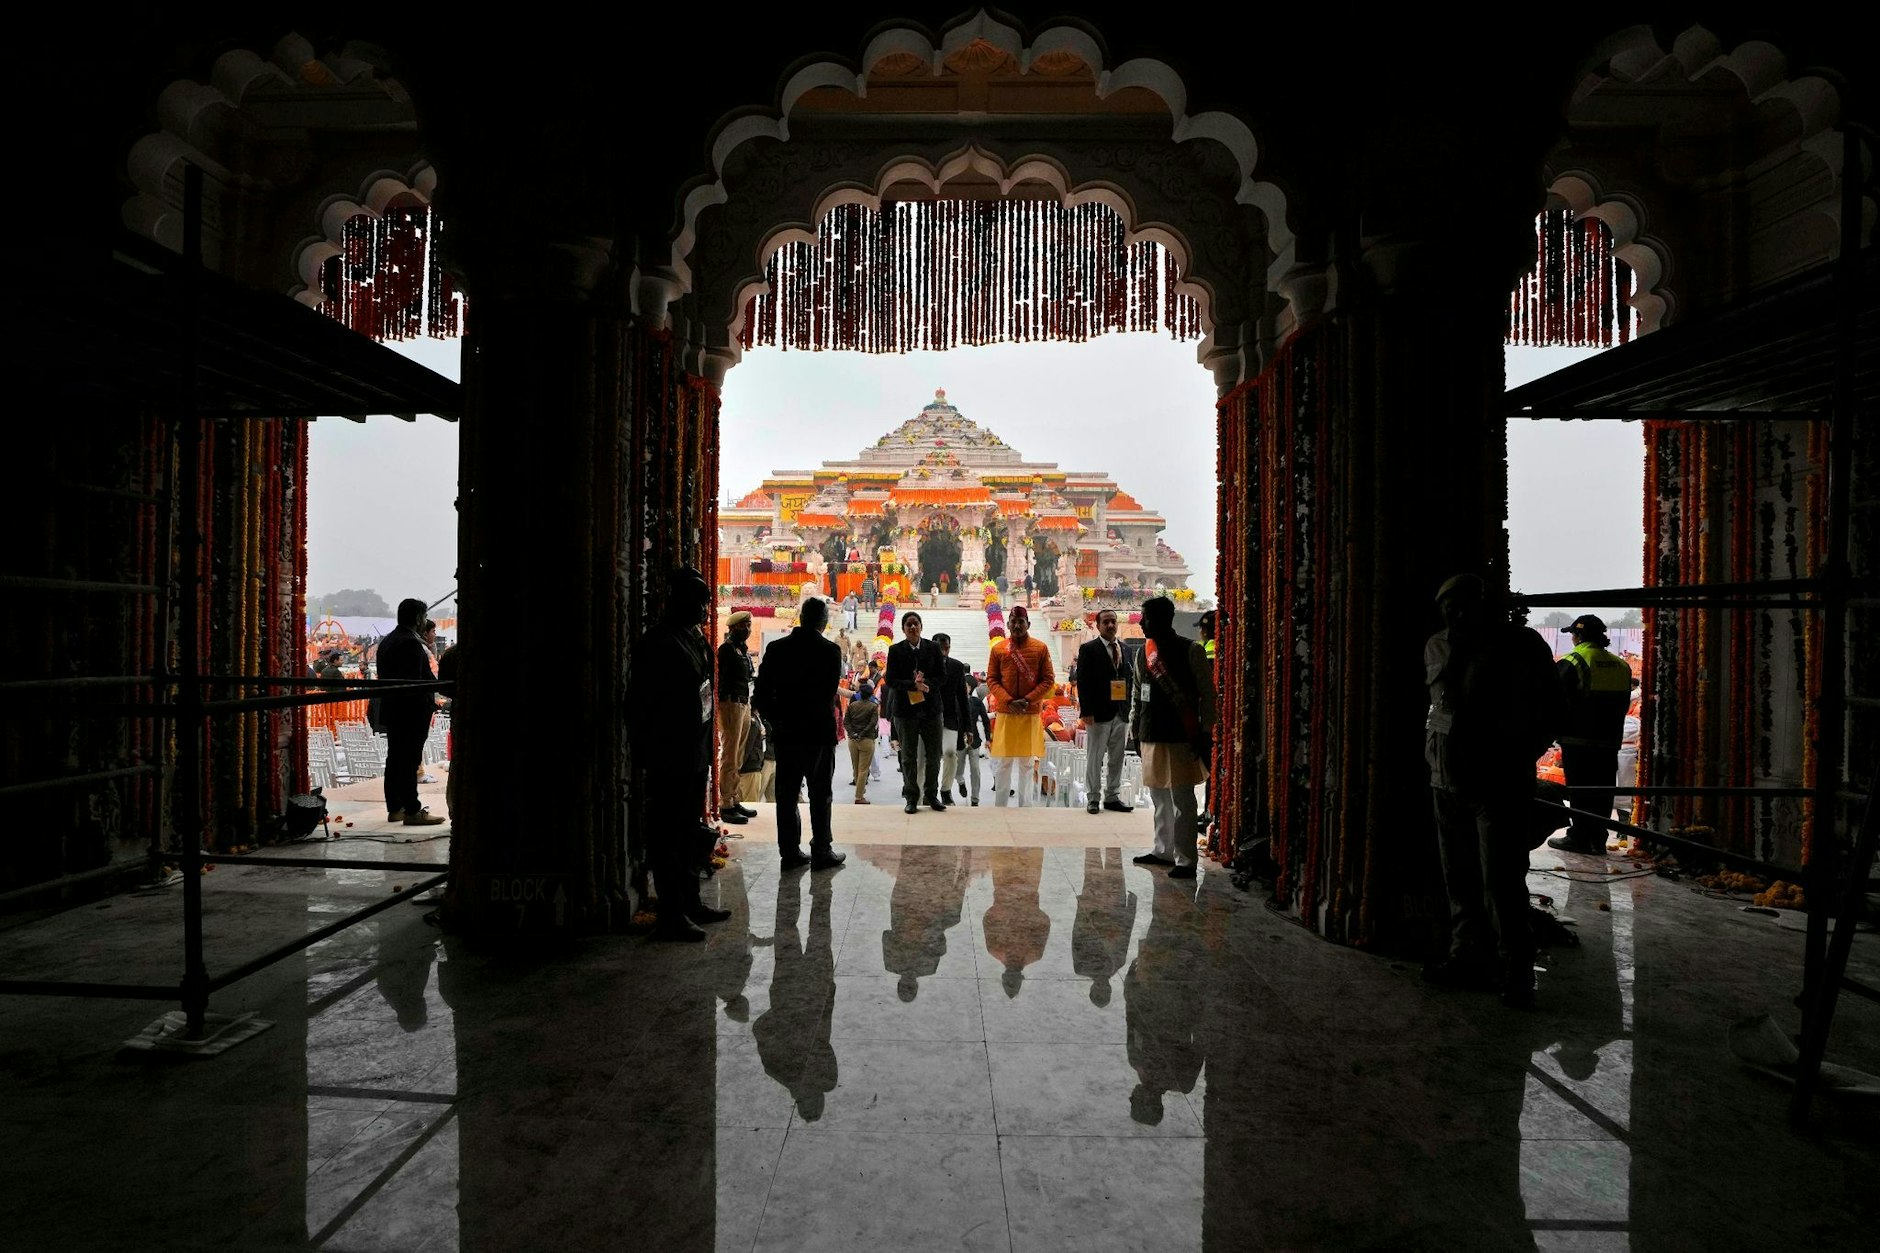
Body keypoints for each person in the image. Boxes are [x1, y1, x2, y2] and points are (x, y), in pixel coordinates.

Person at [1421, 573, 1566, 1007]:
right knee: (1459, 877)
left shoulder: (1519, 646)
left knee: (1501, 882)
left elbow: (1554, 709)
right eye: (1448, 604)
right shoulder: (1437, 645)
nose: (1456, 612)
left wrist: (1518, 752)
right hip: (1445, 777)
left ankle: (1517, 970)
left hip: (1497, 781)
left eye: (1464, 604)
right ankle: (1465, 956)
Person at [627, 567, 732, 941]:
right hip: (669, 753)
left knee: (689, 830)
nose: (705, 610)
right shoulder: (657, 643)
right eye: (700, 601)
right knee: (667, 834)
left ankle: (690, 902)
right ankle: (671, 912)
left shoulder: (694, 639)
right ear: (680, 601)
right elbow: (639, 704)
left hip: (695, 751)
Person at [752, 596, 846, 871]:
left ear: (801, 618)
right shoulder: (829, 651)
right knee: (820, 793)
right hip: (817, 733)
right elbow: (828, 693)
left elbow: (761, 694)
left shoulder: (777, 649)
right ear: (823, 621)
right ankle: (821, 849)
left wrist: (777, 721)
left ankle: (790, 851)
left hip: (787, 733)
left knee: (787, 793)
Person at [1129, 596, 1215, 878]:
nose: (1141, 623)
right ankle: (1162, 850)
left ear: (1164, 619)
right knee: (1159, 796)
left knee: (1182, 798)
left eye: (1146, 618)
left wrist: (1205, 732)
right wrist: (1135, 727)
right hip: (1151, 733)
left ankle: (1186, 860)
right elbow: (1137, 695)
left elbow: (1207, 696)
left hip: (1181, 734)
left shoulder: (1191, 651)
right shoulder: (1144, 653)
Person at [1548, 613, 1632, 856]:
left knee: (1580, 790)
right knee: (1603, 791)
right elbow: (1624, 703)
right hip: (1609, 741)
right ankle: (1598, 839)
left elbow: (1555, 700)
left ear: (1578, 636)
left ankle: (1579, 837)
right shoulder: (1621, 665)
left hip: (1578, 740)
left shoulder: (1573, 661)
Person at [375, 598, 446, 828]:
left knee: (395, 759)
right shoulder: (410, 644)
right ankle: (412, 810)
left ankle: (395, 807)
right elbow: (417, 684)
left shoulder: (388, 642)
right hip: (411, 714)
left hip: (394, 711)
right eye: (424, 618)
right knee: (408, 760)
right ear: (418, 618)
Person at [987, 604, 1055, 807]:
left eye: (1021, 622)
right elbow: (992, 679)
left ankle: (1025, 807)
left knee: (1026, 763)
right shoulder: (998, 649)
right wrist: (1007, 700)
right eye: (1014, 622)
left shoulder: (1040, 648)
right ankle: (1000, 806)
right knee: (1003, 763)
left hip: (1030, 712)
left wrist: (1027, 700)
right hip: (1006, 712)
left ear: (1028, 624)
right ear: (1008, 624)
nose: (1017, 625)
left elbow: (1048, 680)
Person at [885, 609, 947, 814]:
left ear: (921, 627)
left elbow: (942, 676)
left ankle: (931, 795)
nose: (912, 627)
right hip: (905, 711)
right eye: (908, 624)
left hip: (931, 710)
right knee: (908, 756)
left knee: (934, 754)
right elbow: (891, 680)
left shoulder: (933, 648)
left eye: (916, 624)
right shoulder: (895, 650)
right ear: (903, 629)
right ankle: (911, 796)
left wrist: (927, 684)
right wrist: (913, 685)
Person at [1076, 608, 1134, 816]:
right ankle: (1093, 798)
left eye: (1113, 621)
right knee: (1095, 757)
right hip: (1098, 713)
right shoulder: (1089, 649)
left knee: (1117, 757)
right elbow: (1082, 682)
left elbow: (1130, 681)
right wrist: (1086, 711)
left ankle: (1112, 797)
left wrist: (1129, 710)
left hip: (1121, 712)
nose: (1110, 625)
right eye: (1106, 622)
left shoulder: (1126, 649)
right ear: (1098, 626)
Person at [716, 610, 759, 827]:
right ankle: (725, 804)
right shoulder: (726, 649)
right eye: (744, 625)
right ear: (733, 628)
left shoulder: (741, 649)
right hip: (730, 703)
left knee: (739, 755)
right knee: (730, 756)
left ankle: (734, 798)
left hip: (743, 702)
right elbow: (720, 679)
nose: (748, 629)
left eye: (749, 625)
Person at [933, 632, 979, 806]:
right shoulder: (924, 665)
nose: (943, 652)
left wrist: (968, 727)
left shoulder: (956, 666)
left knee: (950, 753)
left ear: (949, 648)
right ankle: (927, 791)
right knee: (928, 758)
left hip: (950, 718)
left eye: (946, 648)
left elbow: (963, 699)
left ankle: (945, 790)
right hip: (928, 718)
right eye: (939, 648)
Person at [843, 681, 880, 804]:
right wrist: (862, 734)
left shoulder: (852, 706)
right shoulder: (873, 706)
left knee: (856, 767)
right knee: (863, 769)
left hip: (852, 740)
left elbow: (846, 721)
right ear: (870, 695)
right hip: (867, 740)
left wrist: (852, 733)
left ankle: (860, 790)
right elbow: (872, 724)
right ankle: (859, 796)